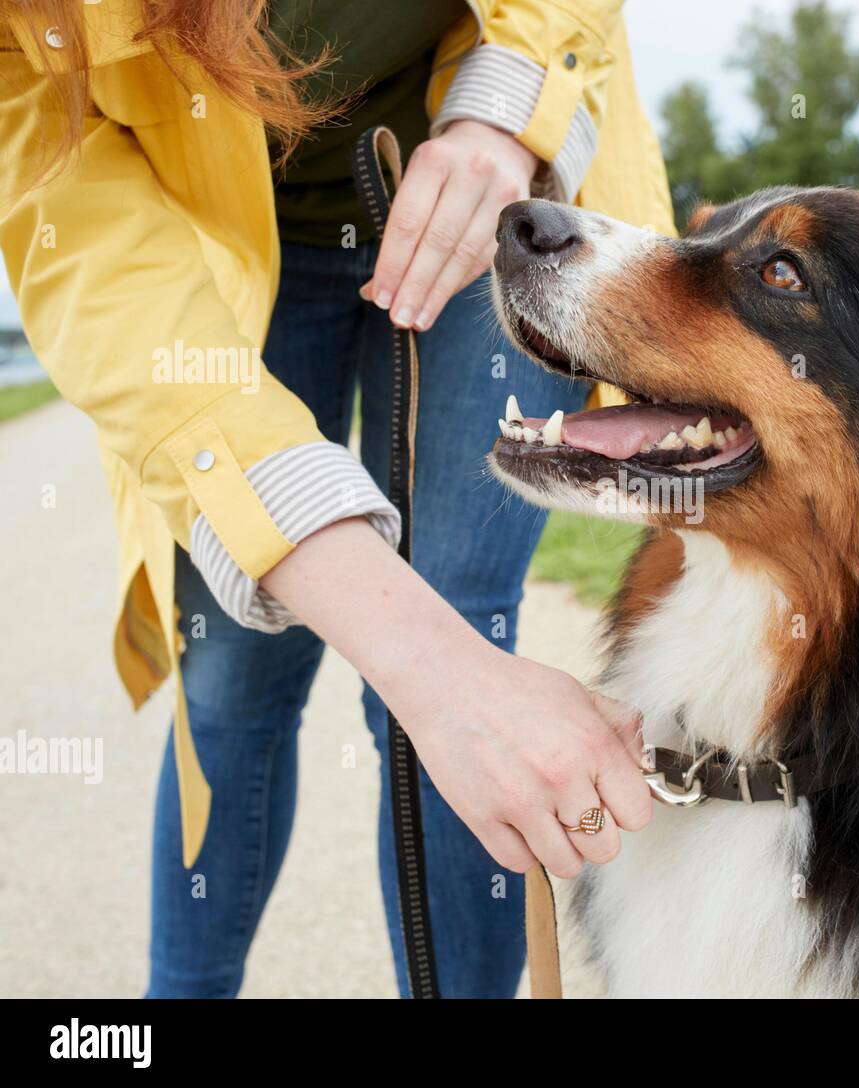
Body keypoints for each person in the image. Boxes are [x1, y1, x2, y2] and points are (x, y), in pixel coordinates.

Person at [0, 0, 675, 997]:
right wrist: (431, 668)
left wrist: (506, 112)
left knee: (460, 611)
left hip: (493, 192)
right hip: (230, 253)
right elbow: (91, 257)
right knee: (229, 675)